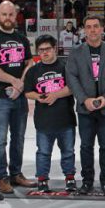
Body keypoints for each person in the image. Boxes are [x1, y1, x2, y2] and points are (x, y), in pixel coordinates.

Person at [0, 1, 37, 193]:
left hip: (20, 97)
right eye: (4, 14)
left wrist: (20, 85)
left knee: (18, 138)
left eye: (11, 14)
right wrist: (14, 81)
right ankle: (2, 177)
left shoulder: (22, 38)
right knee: (0, 139)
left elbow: (29, 63)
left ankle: (16, 174)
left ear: (16, 15)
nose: (7, 18)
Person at [66, 16, 105, 194]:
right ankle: (87, 180)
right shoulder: (76, 52)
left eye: (95, 27)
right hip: (85, 108)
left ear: (101, 29)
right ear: (84, 30)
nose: (92, 30)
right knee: (85, 146)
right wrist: (84, 99)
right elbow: (71, 77)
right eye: (88, 27)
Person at [24, 35, 76, 193]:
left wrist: (55, 95)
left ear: (54, 49)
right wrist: (38, 96)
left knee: (68, 151)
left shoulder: (65, 66)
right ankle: (42, 179)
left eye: (47, 49)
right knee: (43, 152)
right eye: (41, 50)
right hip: (44, 120)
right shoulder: (33, 71)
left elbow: (72, 87)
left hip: (65, 118)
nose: (44, 52)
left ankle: (70, 178)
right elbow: (27, 92)